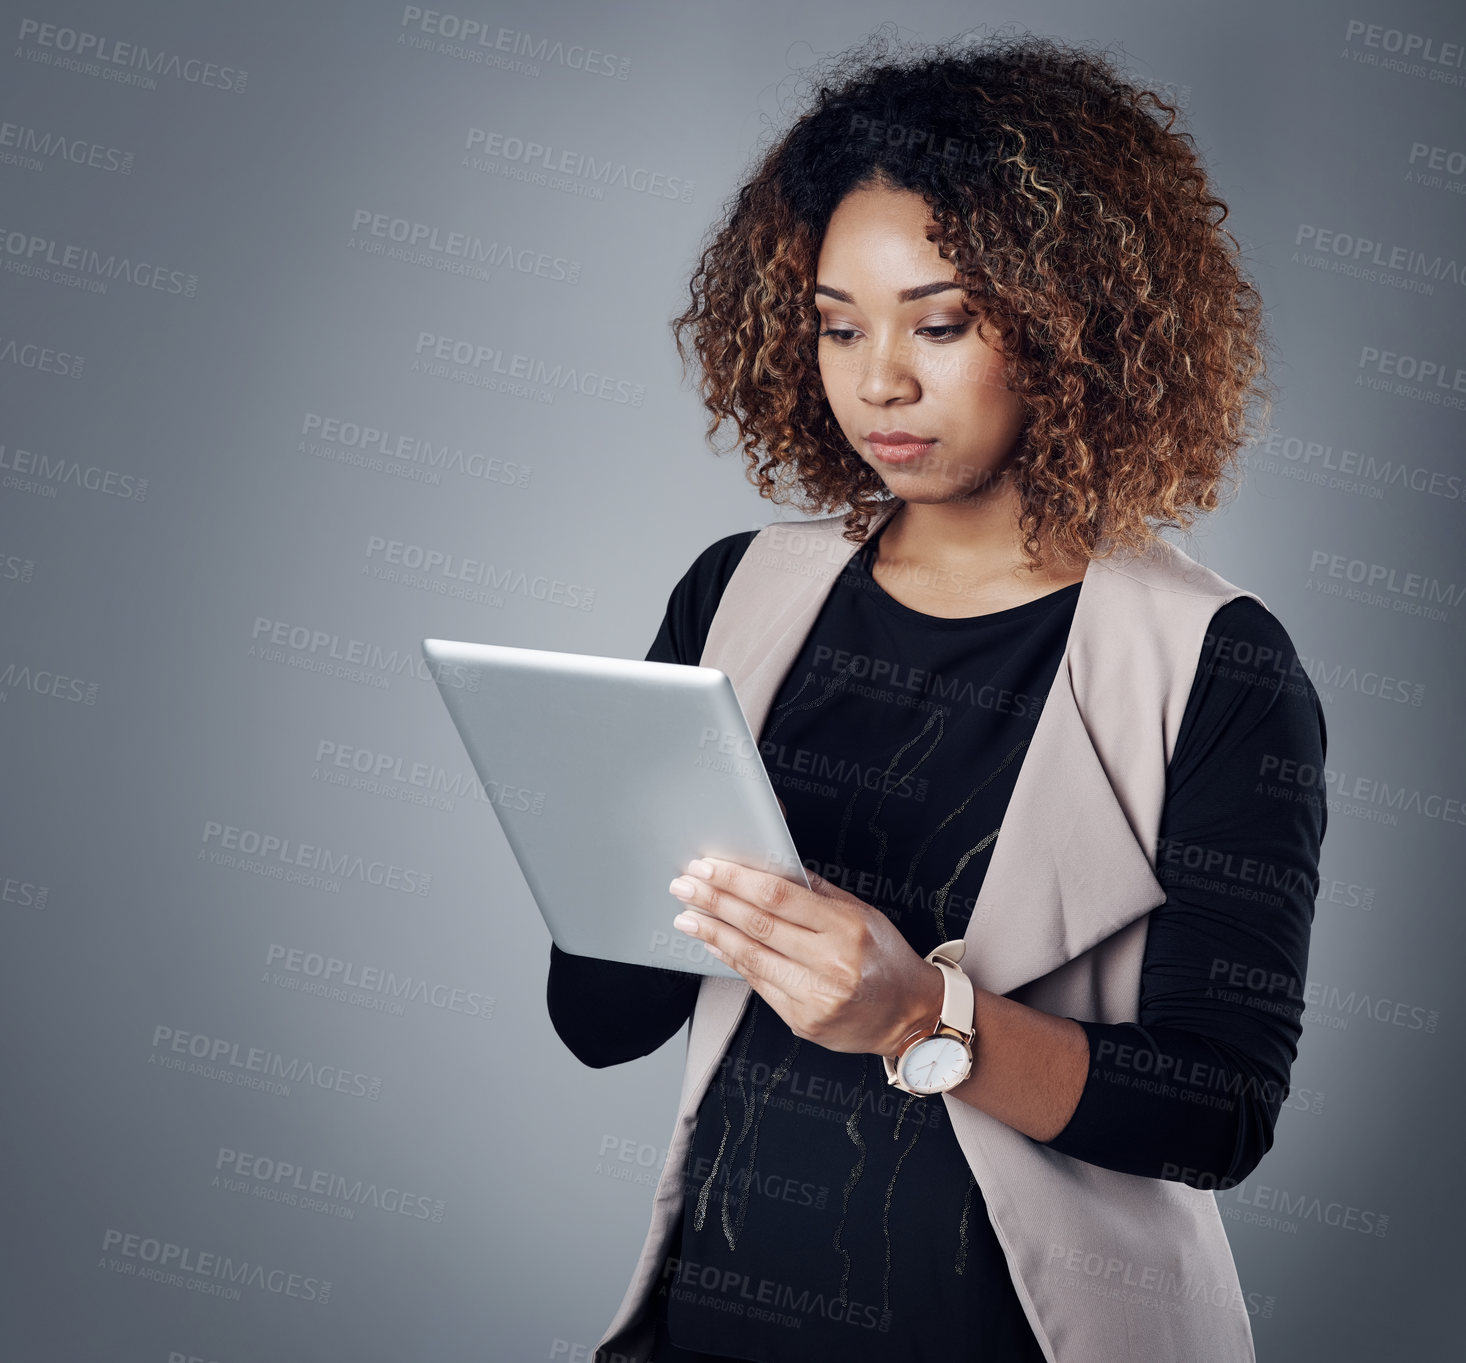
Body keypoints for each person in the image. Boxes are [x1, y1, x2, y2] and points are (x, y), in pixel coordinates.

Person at [548, 29, 1326, 1363]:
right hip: (715, 1318)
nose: (879, 380)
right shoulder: (735, 595)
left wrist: (923, 1018)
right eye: (838, 326)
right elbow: (598, 1023)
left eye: (941, 323)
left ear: (1074, 325)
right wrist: (594, 846)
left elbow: (1219, 1112)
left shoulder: (1211, 663)